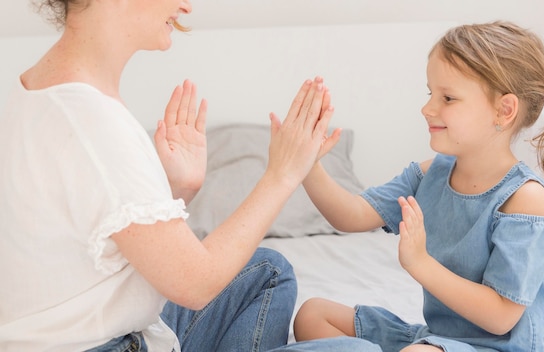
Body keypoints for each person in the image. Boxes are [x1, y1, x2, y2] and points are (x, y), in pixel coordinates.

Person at [0, 1, 384, 351]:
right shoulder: (94, 123)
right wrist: (283, 174)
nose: (186, 5)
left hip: (72, 331)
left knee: (268, 270)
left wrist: (175, 191)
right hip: (98, 345)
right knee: (359, 350)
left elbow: (91, 239)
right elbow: (196, 286)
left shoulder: (36, 89)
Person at [293, 21, 544, 352]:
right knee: (313, 315)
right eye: (430, 93)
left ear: (504, 110)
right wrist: (306, 165)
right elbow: (352, 215)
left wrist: (420, 263)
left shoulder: (524, 199)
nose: (428, 108)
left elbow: (500, 317)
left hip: (501, 348)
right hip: (440, 340)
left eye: (447, 97)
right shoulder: (432, 173)